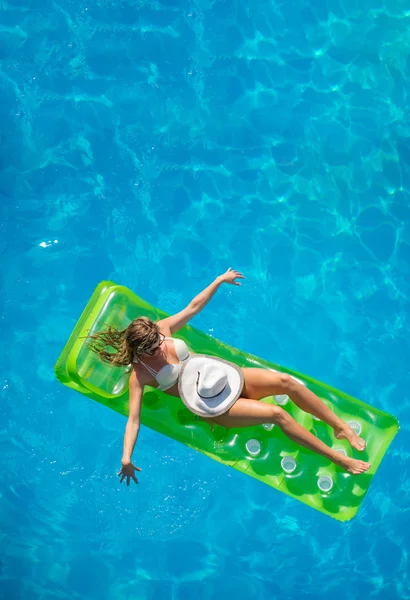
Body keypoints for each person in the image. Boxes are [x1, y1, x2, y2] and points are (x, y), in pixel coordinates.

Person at [87, 268, 370, 486]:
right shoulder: (140, 375)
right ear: (139, 349)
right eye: (152, 347)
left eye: (158, 340)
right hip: (216, 407)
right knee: (277, 414)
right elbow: (134, 419)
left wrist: (219, 281)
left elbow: (192, 307)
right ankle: (337, 458)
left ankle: (339, 427)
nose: (160, 346)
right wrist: (126, 458)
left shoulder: (162, 331)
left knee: (286, 381)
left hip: (227, 377)